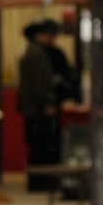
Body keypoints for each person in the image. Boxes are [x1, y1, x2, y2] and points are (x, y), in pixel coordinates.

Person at [18, 21, 62, 191]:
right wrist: (48, 103)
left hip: (34, 110)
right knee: (42, 148)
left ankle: (38, 183)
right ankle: (39, 184)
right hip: (39, 111)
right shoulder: (36, 54)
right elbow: (39, 84)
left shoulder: (33, 51)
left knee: (38, 147)